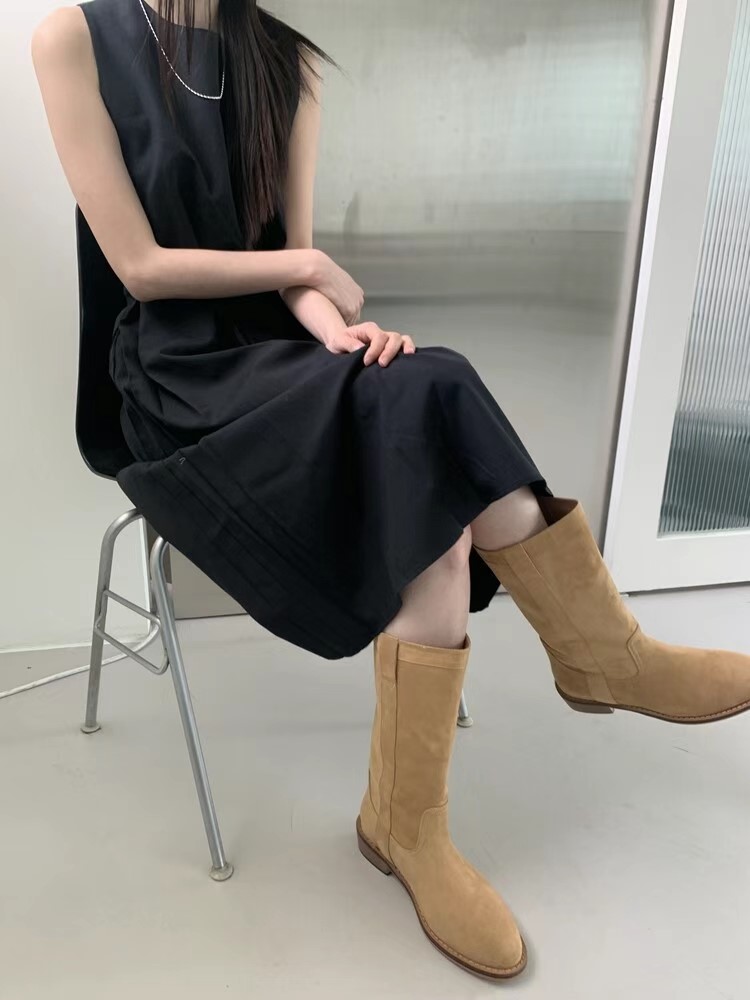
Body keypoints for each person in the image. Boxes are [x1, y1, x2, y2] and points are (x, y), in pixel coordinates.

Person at [32, 0, 750, 981]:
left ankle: (416, 817)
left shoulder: (284, 61)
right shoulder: (74, 38)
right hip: (171, 383)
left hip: (280, 357)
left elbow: (295, 285)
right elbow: (142, 268)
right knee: (432, 452)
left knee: (429, 388)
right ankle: (592, 662)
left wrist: (337, 330)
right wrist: (309, 265)